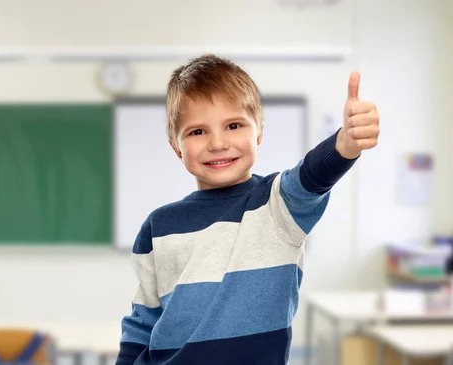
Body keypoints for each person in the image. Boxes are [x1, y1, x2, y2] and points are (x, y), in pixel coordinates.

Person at [115, 54, 380, 365]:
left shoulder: (278, 204)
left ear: (259, 133)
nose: (217, 143)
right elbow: (142, 322)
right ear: (177, 147)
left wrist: (344, 145)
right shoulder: (158, 225)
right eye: (197, 131)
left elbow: (311, 175)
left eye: (233, 125)